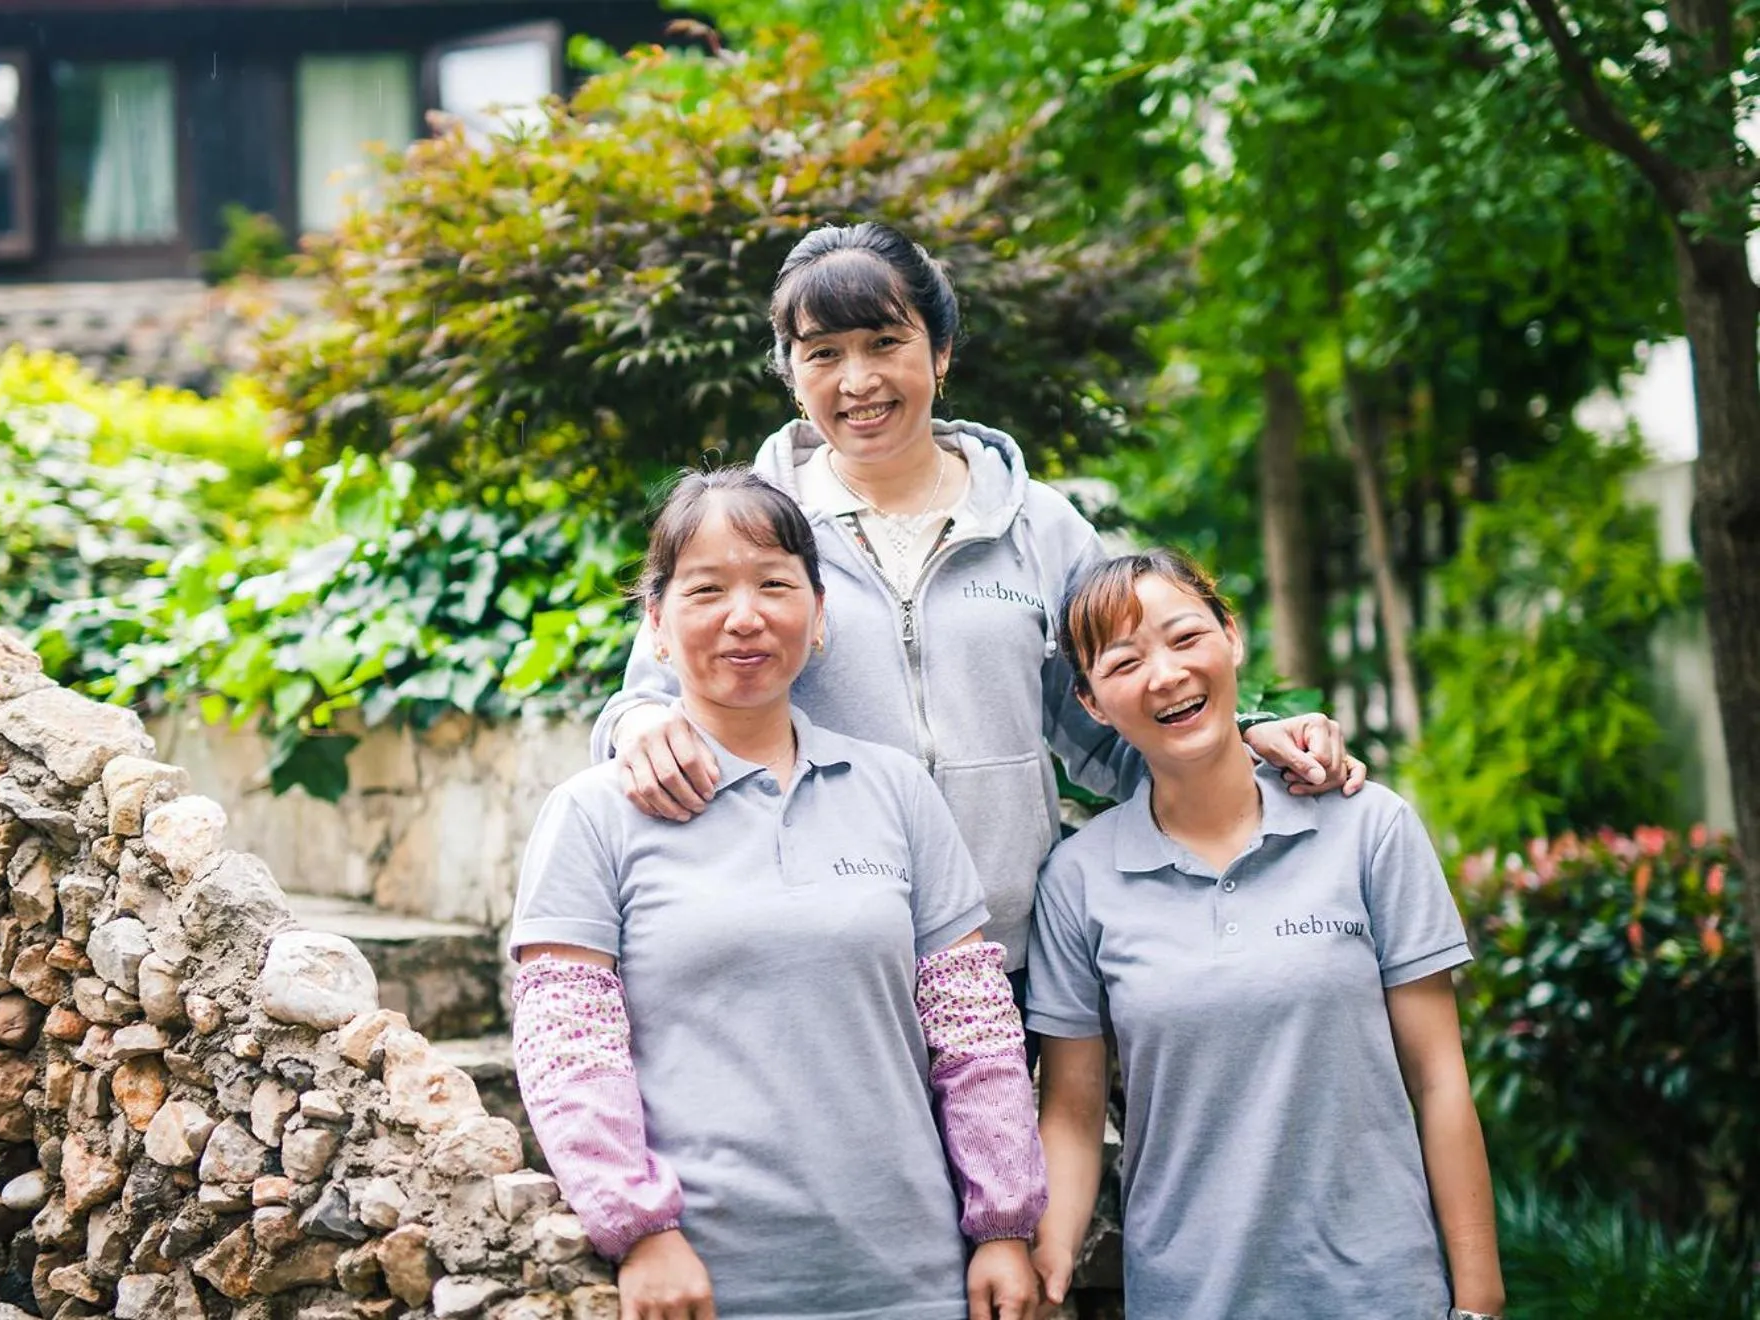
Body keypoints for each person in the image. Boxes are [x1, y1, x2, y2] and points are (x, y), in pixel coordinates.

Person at [592, 221, 1363, 997]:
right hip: (819, 952)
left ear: (941, 352)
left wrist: (1245, 750)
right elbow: (643, 702)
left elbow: (1115, 720)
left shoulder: (1041, 525)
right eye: (823, 353)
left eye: (884, 342)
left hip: (1006, 957)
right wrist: (637, 727)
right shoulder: (752, 526)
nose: (857, 381)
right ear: (792, 374)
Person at [509, 469, 1047, 1320]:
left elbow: (975, 1034)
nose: (744, 616)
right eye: (706, 590)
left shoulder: (898, 791)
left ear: (820, 612)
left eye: (773, 584)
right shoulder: (592, 814)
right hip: (703, 1284)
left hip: (912, 1276)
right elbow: (570, 1052)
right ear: (654, 624)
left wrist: (1004, 1224)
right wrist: (638, 1229)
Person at [1026, 548, 1505, 1319]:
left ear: (1232, 637)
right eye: (1125, 662)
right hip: (1189, 1298)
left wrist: (1479, 1302)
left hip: (1384, 1295)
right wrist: (1044, 1264)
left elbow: (1441, 1079)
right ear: (1088, 702)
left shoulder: (1367, 827)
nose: (1167, 675)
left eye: (1186, 638)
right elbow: (1075, 1119)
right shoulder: (1079, 881)